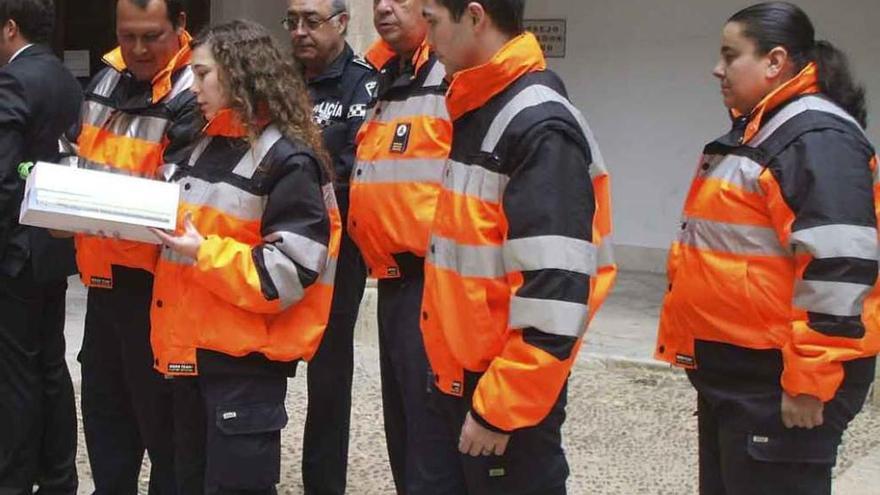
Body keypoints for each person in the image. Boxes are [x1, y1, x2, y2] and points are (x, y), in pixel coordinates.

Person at [655, 3, 879, 494]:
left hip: (779, 382)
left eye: (730, 55)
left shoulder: (815, 138)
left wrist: (809, 383)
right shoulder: (765, 130)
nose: (718, 69)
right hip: (742, 376)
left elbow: (840, 269)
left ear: (775, 61)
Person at [418, 0, 616, 493]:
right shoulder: (481, 106)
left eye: (432, 20)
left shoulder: (537, 125)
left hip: (499, 404)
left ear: (475, 16)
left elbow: (554, 297)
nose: (426, 36)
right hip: (458, 383)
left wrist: (498, 411)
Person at [150, 19, 341, 494]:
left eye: (202, 74)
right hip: (193, 357)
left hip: (244, 367)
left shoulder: (288, 159)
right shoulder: (202, 141)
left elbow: (290, 272)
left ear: (239, 74)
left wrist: (204, 252)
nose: (191, 87)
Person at [65, 0, 199, 491]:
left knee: (165, 434)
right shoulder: (106, 77)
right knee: (106, 423)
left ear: (180, 26)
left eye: (152, 35)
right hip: (102, 279)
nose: (139, 49)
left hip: (159, 288)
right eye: (128, 36)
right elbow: (84, 155)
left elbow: (180, 193)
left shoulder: (196, 87)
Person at [346, 0, 459, 491]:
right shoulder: (388, 74)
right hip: (392, 281)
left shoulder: (452, 74)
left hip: (434, 283)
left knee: (432, 436)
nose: (383, 8)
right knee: (405, 432)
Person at [286, 0, 375, 491]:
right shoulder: (280, 81)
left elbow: (353, 169)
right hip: (275, 242)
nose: (300, 31)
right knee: (261, 365)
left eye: (312, 21)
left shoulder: (364, 82)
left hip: (338, 253)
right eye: (292, 21)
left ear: (342, 23)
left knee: (328, 378)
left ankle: (323, 484)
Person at [0, 0, 82, 493]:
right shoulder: (63, 77)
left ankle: (13, 479)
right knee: (50, 363)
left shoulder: (12, 80)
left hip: (16, 252)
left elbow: (3, 179)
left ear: (9, 27)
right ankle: (59, 475)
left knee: (15, 372)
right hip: (52, 248)